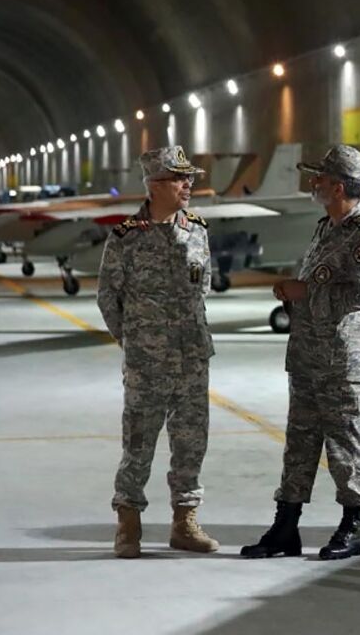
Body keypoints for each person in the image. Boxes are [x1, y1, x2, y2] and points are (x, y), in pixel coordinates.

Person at [241, 144, 360, 561]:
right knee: (300, 443)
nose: (314, 183)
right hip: (306, 355)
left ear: (338, 186)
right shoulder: (325, 228)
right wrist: (293, 295)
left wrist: (304, 292)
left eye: (320, 178)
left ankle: (352, 525)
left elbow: (359, 296)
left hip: (339, 359)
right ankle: (286, 525)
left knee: (345, 441)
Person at [97, 146, 219, 559]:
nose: (189, 186)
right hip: (146, 362)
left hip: (192, 358)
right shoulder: (126, 238)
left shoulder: (198, 231)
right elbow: (107, 298)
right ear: (154, 185)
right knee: (139, 442)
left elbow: (202, 290)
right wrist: (134, 340)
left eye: (190, 179)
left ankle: (185, 521)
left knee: (191, 442)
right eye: (180, 179)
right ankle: (128, 520)